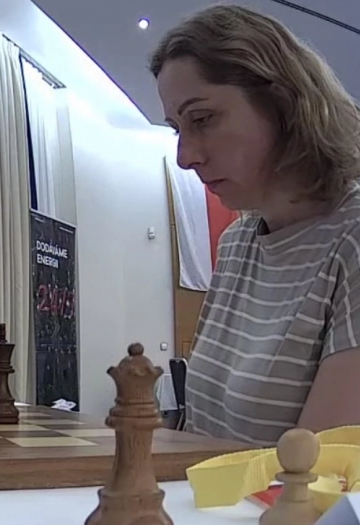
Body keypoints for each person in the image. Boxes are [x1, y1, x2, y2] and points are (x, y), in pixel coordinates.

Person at [150, 5, 360, 446]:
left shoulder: (352, 240)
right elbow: (201, 428)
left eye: (202, 119)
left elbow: (319, 470)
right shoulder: (236, 243)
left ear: (281, 103)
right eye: (177, 128)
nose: (185, 157)